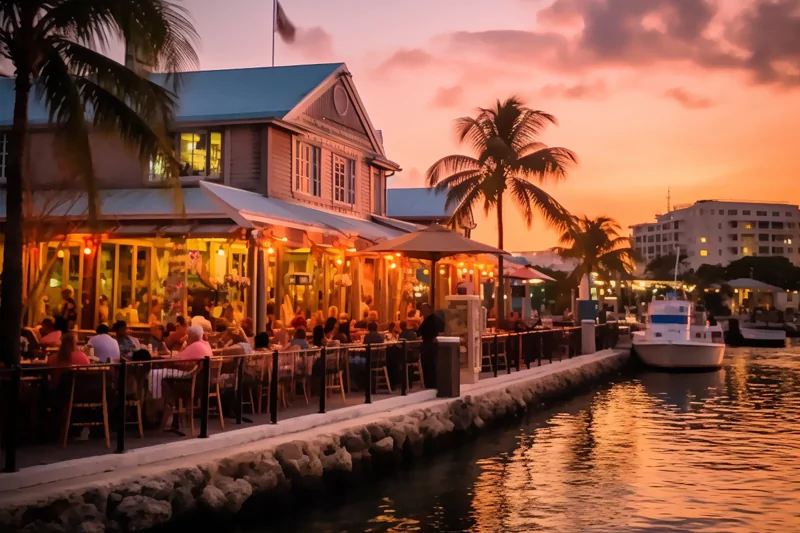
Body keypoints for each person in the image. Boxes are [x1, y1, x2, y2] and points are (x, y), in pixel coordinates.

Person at [417, 303, 443, 388]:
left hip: (428, 345)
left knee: (428, 364)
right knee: (433, 364)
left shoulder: (428, 320)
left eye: (422, 309)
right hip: (434, 345)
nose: (421, 311)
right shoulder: (436, 319)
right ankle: (433, 383)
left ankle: (429, 383)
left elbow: (419, 332)